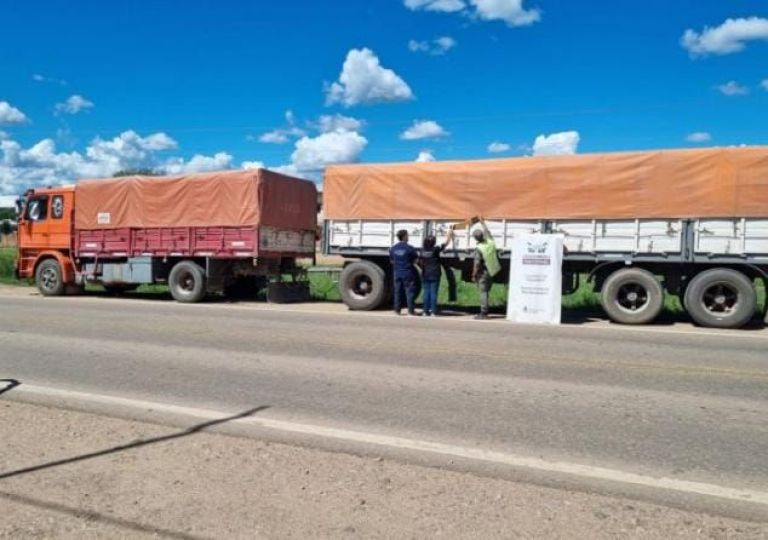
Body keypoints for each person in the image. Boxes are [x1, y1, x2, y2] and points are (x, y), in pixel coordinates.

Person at [419, 229, 454, 316]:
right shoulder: (435, 250)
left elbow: (419, 261)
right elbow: (445, 244)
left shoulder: (422, 251)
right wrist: (449, 235)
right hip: (435, 273)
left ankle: (425, 311)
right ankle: (433, 311)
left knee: (426, 292)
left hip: (425, 273)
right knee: (433, 292)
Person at [471, 217, 501, 319]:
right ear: (483, 236)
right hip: (492, 270)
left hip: (483, 272)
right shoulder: (490, 241)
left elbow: (477, 264)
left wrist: (474, 275)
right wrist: (482, 222)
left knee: (483, 292)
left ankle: (484, 312)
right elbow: (487, 232)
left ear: (475, 239)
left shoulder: (479, 248)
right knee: (486, 291)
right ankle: (485, 309)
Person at [389, 229, 419, 315]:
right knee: (409, 291)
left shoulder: (393, 248)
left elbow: (392, 261)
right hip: (407, 272)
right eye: (407, 235)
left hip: (397, 272)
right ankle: (411, 310)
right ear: (405, 237)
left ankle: (397, 310)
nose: (408, 237)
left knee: (397, 291)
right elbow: (416, 260)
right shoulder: (410, 248)